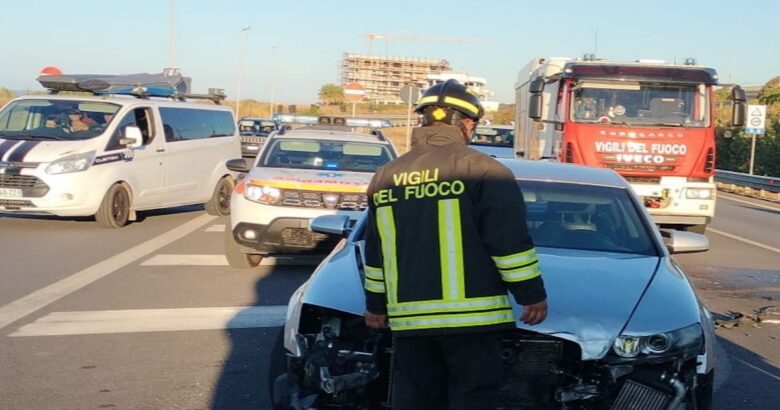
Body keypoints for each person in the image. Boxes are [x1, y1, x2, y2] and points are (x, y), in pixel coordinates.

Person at [363, 79, 548, 410]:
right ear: (466, 123)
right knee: (473, 399)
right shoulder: (485, 171)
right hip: (473, 324)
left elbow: (376, 250)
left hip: (409, 323)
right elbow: (509, 243)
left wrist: (375, 305)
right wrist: (531, 295)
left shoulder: (386, 175)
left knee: (416, 401)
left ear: (423, 120)